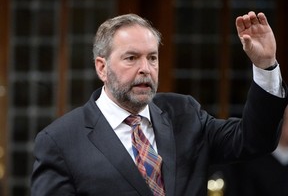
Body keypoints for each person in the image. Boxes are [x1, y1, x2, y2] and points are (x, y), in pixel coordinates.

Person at [31, 11, 288, 196]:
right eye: (131, 58)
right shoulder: (60, 140)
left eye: (152, 58)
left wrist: (265, 66)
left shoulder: (184, 114)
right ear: (102, 67)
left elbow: (255, 140)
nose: (145, 69)